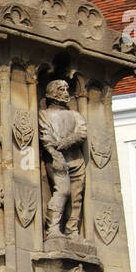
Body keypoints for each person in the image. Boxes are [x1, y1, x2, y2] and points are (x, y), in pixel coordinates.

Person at [39, 79, 87, 237]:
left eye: (67, 89)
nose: (66, 93)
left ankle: (72, 229)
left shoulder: (75, 114)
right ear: (52, 93)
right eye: (61, 90)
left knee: (76, 196)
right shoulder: (44, 114)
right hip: (56, 159)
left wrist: (65, 142)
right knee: (62, 191)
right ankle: (53, 228)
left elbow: (82, 133)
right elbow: (46, 136)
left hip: (76, 159)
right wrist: (55, 153)